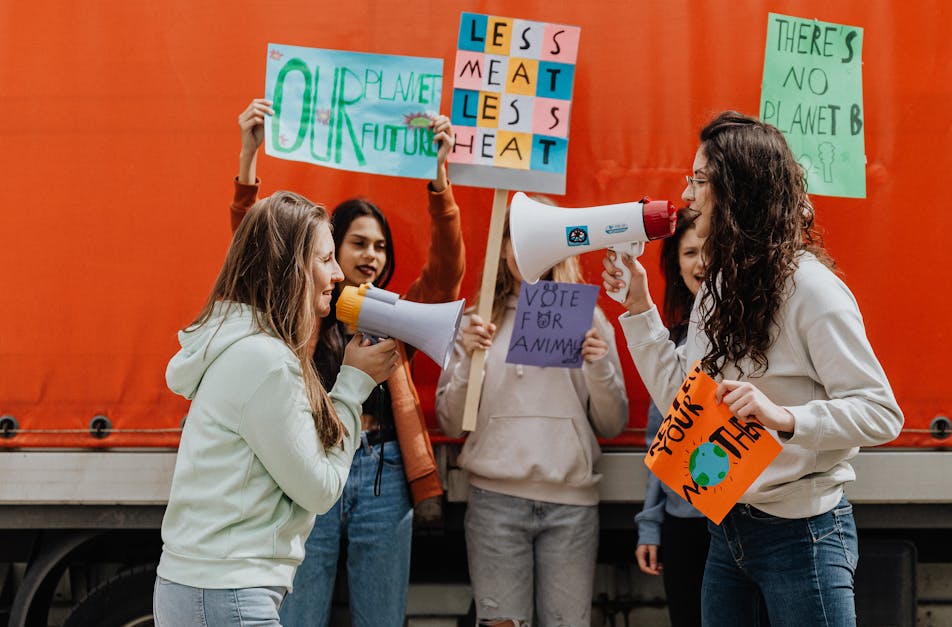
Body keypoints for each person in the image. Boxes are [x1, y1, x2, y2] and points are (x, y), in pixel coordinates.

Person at [602, 111, 904, 626]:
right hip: (726, 530)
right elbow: (682, 402)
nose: (687, 194)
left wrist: (784, 418)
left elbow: (881, 413)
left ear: (738, 192)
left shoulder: (812, 290)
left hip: (803, 537)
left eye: (700, 180)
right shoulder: (717, 287)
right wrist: (639, 309)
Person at [233, 98, 466, 626]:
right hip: (309, 467)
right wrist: (249, 160)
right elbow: (254, 256)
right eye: (358, 243)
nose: (372, 256)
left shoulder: (397, 312)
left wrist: (440, 179)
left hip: (383, 474)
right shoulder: (298, 307)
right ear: (329, 248)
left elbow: (447, 272)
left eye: (380, 247)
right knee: (299, 616)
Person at [155, 191, 401, 626]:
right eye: (326, 259)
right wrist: (353, 384)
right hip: (228, 591)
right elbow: (320, 490)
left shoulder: (249, 348)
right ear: (290, 267)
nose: (338, 273)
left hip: (212, 588)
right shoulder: (266, 361)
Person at [435, 214, 629, 627]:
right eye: (518, 238)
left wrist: (598, 366)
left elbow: (612, 424)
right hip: (494, 503)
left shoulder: (589, 320)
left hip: (571, 507)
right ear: (502, 245)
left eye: (541, 238)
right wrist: (469, 362)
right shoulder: (475, 321)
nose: (527, 250)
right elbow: (450, 423)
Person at [633, 211, 708, 626]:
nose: (702, 262)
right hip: (684, 522)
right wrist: (651, 523)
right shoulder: (673, 342)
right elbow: (659, 441)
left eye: (710, 250)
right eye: (690, 252)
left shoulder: (749, 332)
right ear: (676, 266)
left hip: (740, 518)